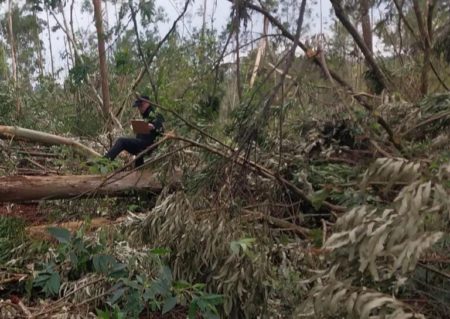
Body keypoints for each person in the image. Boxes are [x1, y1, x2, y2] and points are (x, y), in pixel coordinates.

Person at [105, 95, 164, 167]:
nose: (139, 109)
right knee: (138, 150)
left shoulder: (155, 114)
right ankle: (139, 169)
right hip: (142, 145)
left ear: (146, 103)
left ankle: (104, 162)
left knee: (121, 141)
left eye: (140, 106)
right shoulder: (145, 115)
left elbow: (161, 130)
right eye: (138, 107)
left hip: (150, 145)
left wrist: (153, 127)